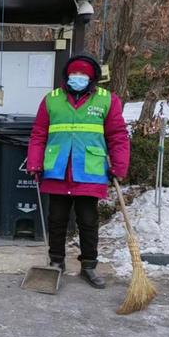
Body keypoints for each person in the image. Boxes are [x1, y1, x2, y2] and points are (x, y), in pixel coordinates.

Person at [26, 54, 130, 289]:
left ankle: (89, 266)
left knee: (88, 220)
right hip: (58, 170)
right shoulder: (52, 100)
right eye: (74, 74)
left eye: (83, 75)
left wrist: (119, 165)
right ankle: (56, 262)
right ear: (66, 76)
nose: (78, 78)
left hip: (89, 171)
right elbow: (39, 134)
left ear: (92, 78)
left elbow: (118, 136)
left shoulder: (107, 100)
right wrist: (34, 162)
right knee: (57, 219)